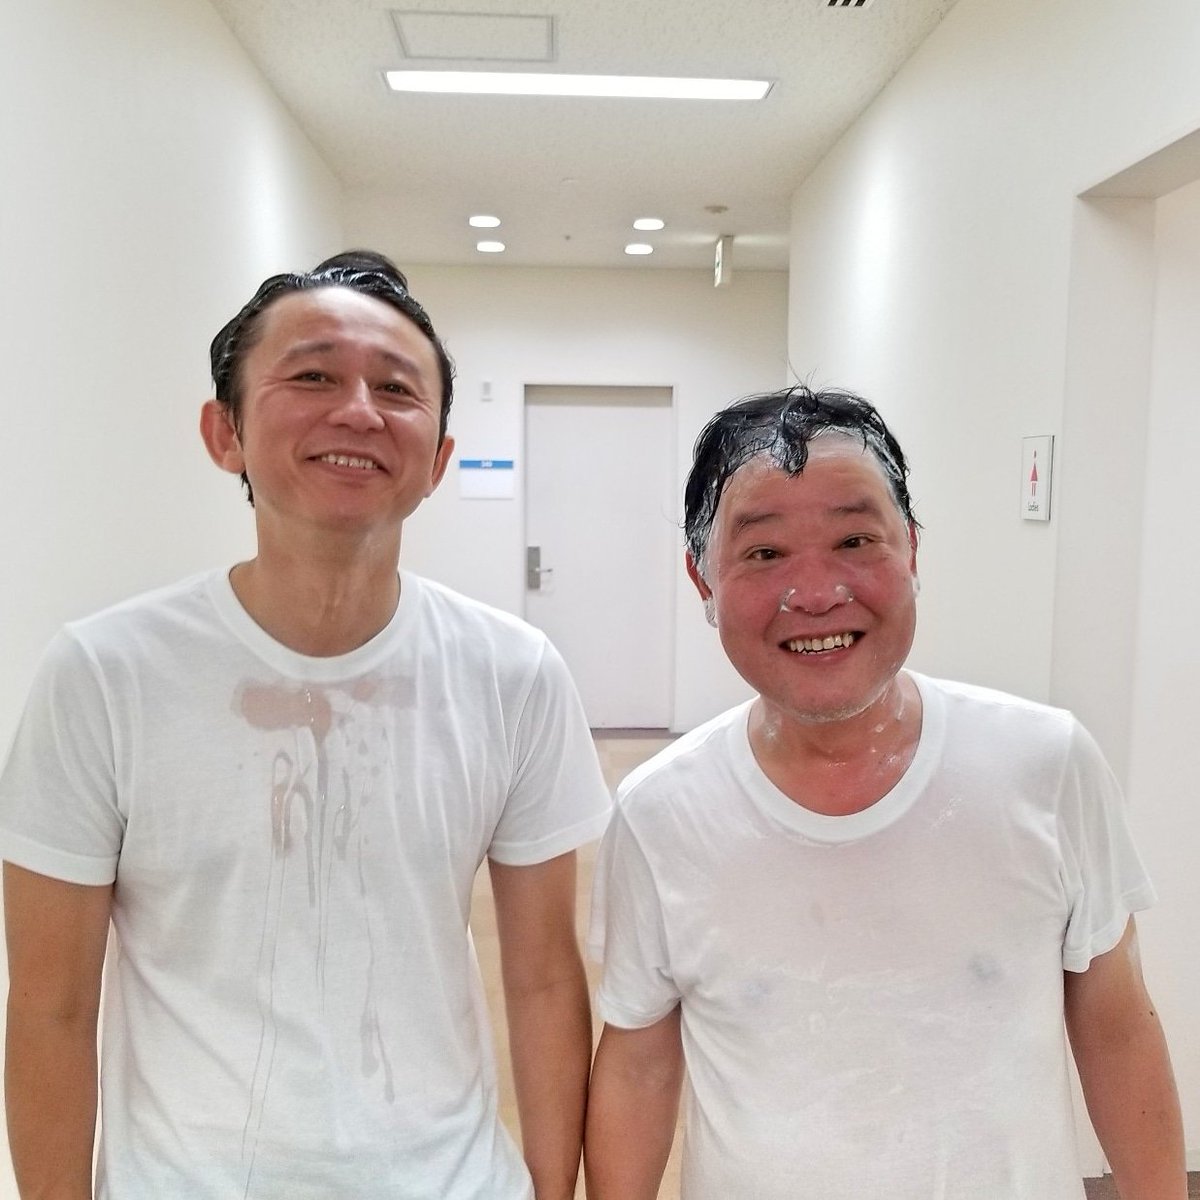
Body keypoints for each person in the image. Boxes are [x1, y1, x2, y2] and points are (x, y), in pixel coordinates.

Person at [0, 250, 611, 1199]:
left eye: (397, 389)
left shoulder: (513, 673)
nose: (359, 411)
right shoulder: (104, 674)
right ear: (225, 432)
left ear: (439, 460)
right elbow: (52, 1006)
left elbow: (542, 979)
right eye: (313, 376)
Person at [584, 386, 1185, 1200]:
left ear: (912, 551)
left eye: (855, 540)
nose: (816, 592)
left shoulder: (1045, 764)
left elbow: (1116, 1029)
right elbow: (640, 1066)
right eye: (764, 553)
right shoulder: (661, 812)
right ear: (704, 581)